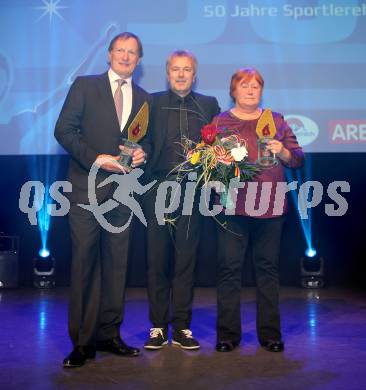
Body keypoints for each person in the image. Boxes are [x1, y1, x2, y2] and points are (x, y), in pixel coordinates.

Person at [55, 32, 150, 368]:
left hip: (123, 194)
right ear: (109, 55)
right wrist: (96, 158)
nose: (125, 56)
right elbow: (63, 130)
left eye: (132, 52)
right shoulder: (84, 85)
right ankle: (82, 342)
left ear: (139, 60)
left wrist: (141, 155)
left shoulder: (143, 97)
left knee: (117, 265)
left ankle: (109, 334)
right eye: (120, 50)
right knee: (84, 264)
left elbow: (143, 142)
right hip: (86, 189)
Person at [212, 68, 304, 353]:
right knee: (229, 270)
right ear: (233, 91)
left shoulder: (275, 120)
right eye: (244, 85)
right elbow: (209, 164)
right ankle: (227, 336)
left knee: (267, 270)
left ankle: (270, 335)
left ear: (261, 91)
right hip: (232, 205)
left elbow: (297, 159)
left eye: (256, 86)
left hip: (270, 206)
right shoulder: (221, 121)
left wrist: (283, 151)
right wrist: (218, 163)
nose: (251, 90)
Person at [143, 50, 220, 350]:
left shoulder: (209, 104)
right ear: (167, 72)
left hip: (192, 189)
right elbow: (142, 140)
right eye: (176, 69)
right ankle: (158, 326)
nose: (180, 74)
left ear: (194, 74)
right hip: (157, 187)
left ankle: (183, 327)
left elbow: (217, 147)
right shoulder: (152, 102)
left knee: (186, 260)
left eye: (186, 69)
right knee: (156, 260)